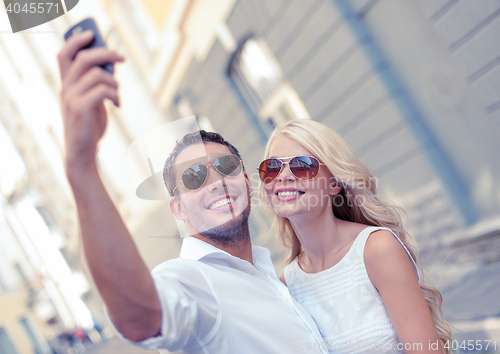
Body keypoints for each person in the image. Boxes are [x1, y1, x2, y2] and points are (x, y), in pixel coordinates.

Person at [57, 30, 327, 353]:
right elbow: (139, 317)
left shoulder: (273, 274)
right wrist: (81, 165)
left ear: (245, 181)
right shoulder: (192, 281)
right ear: (178, 209)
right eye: (195, 176)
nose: (216, 181)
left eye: (226, 167)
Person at [258, 119, 452, 353]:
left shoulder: (376, 249)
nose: (283, 176)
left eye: (302, 165)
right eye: (272, 167)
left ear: (334, 183)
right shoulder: (287, 284)